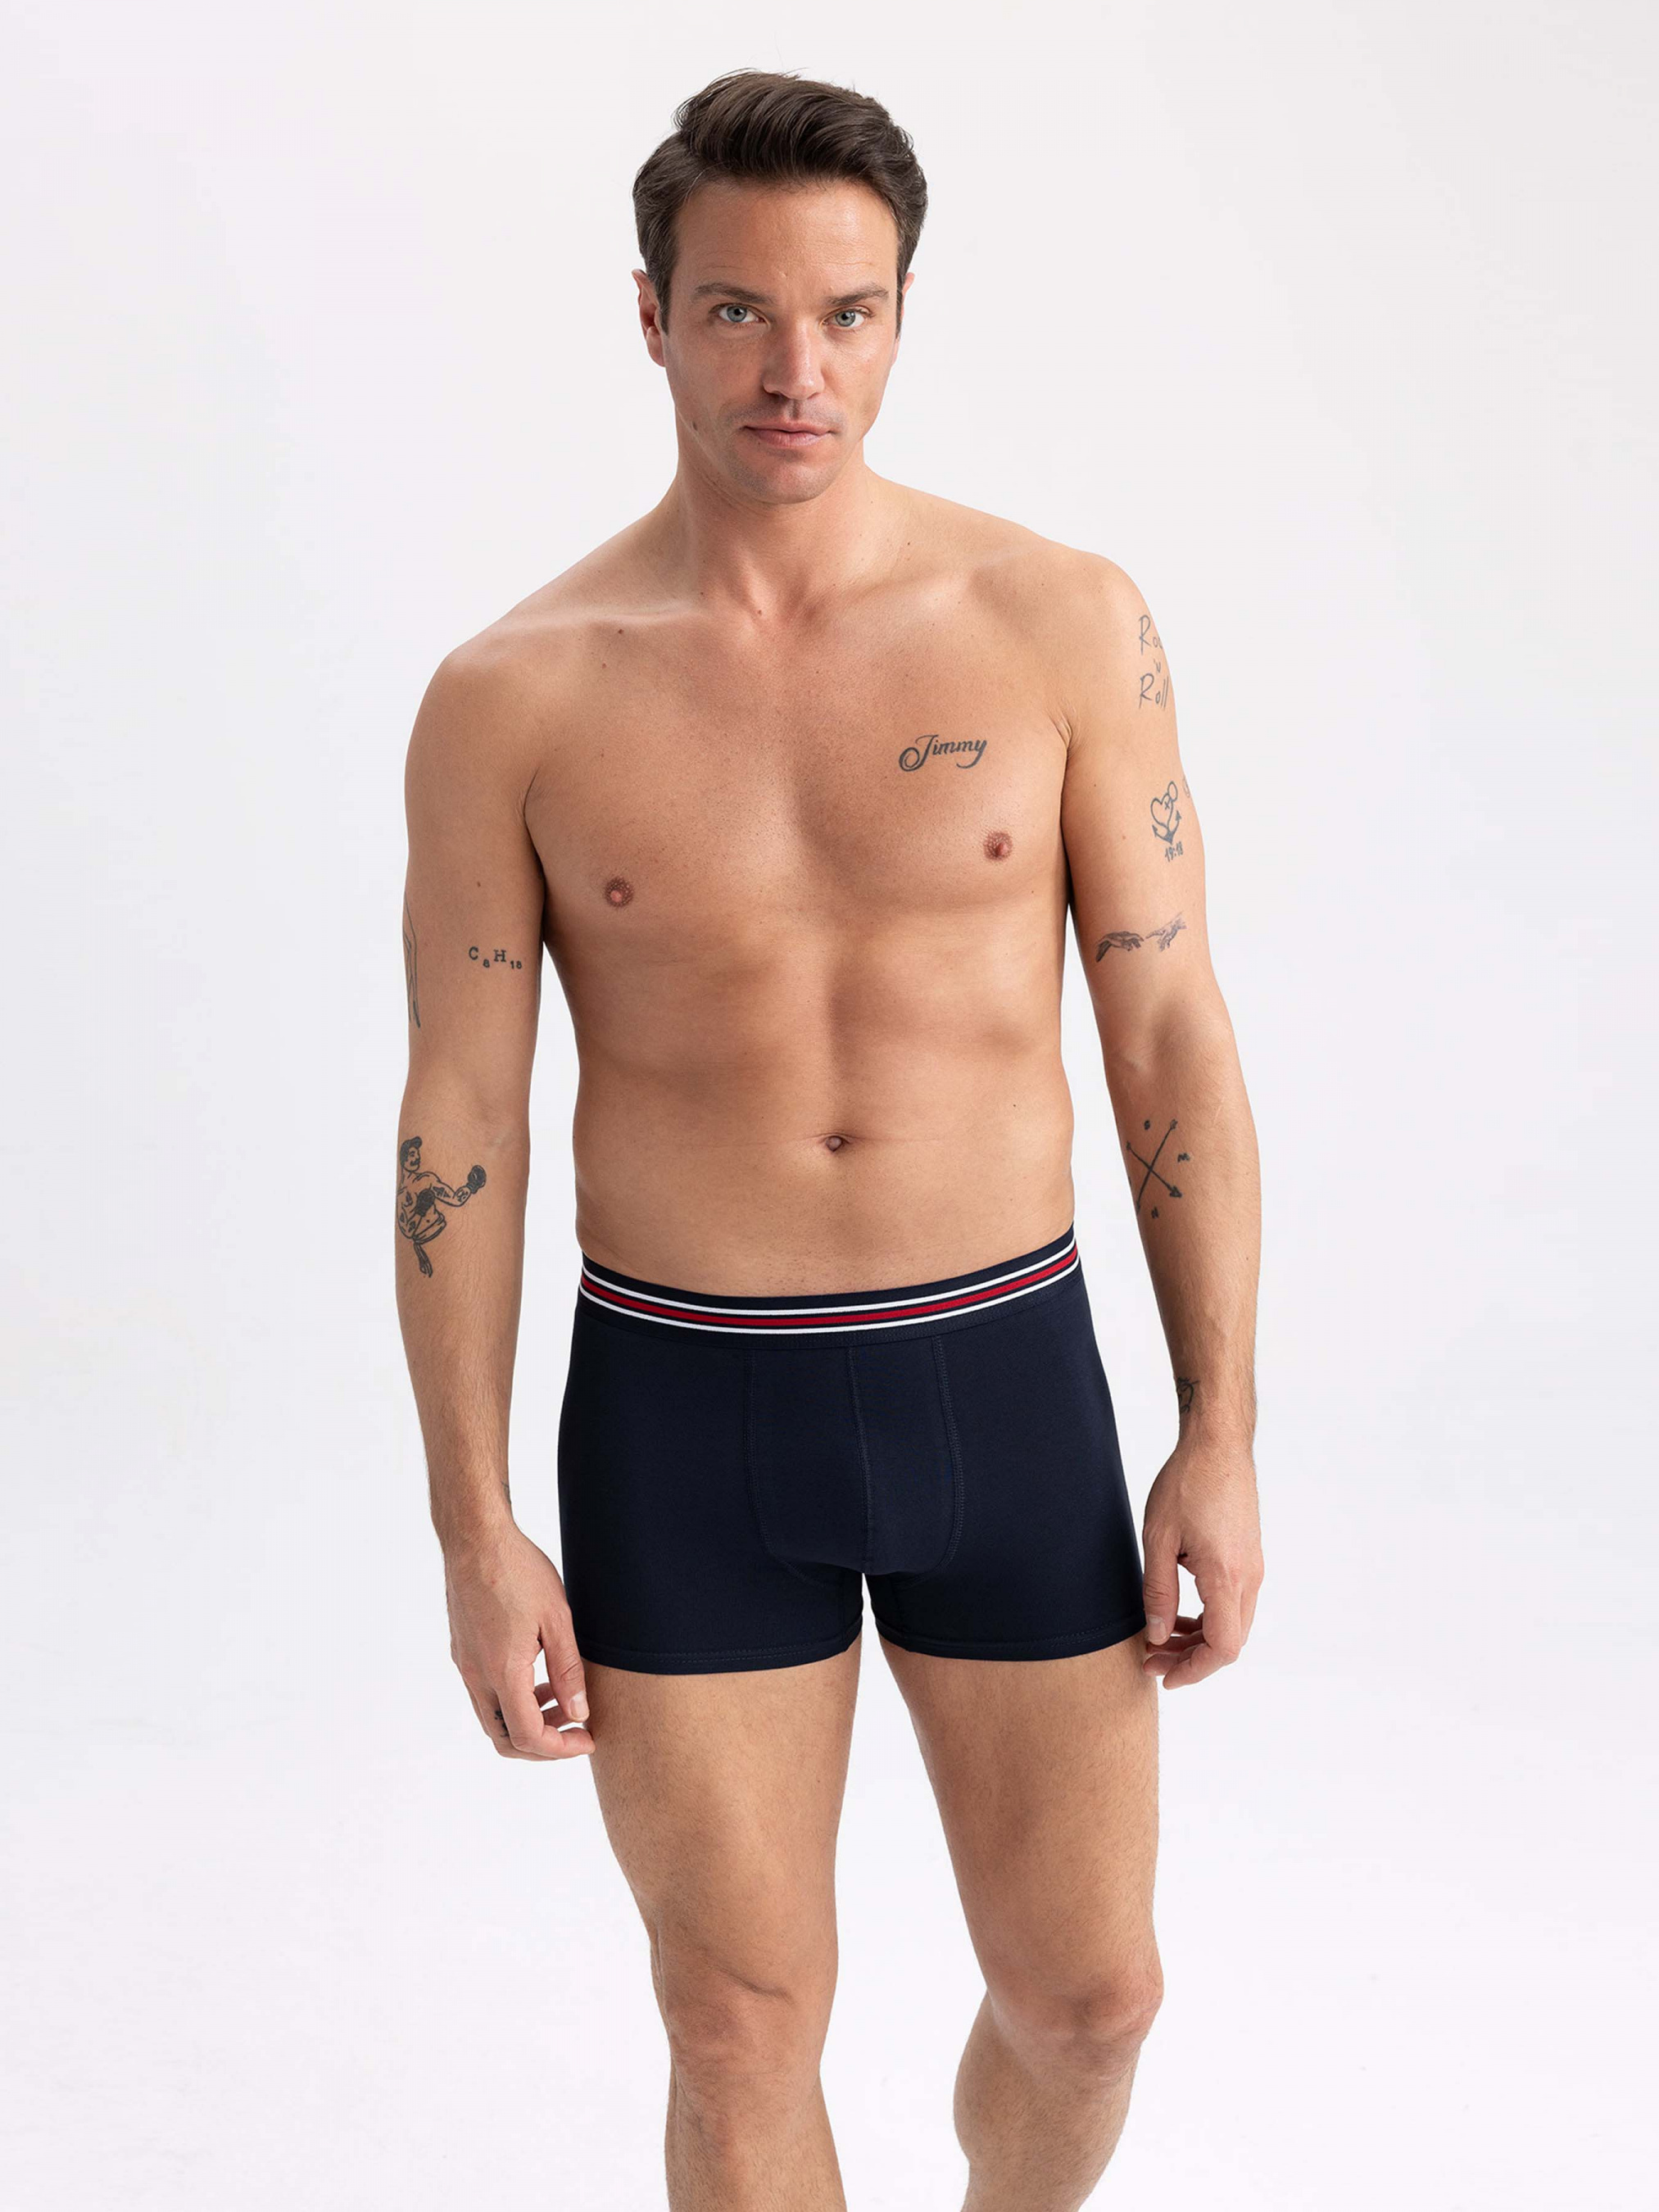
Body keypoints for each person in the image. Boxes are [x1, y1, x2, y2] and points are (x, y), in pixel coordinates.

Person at [394, 68, 1263, 2212]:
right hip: (685, 1403)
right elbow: (459, 1116)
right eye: (739, 312)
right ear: (650, 315)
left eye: (847, 314)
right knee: (735, 2025)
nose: (798, 370)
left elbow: (1167, 1035)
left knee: (1090, 1999)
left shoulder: (1059, 623)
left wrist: (1221, 1426)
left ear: (899, 317)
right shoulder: (517, 695)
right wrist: (474, 1524)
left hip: (1001, 1375)